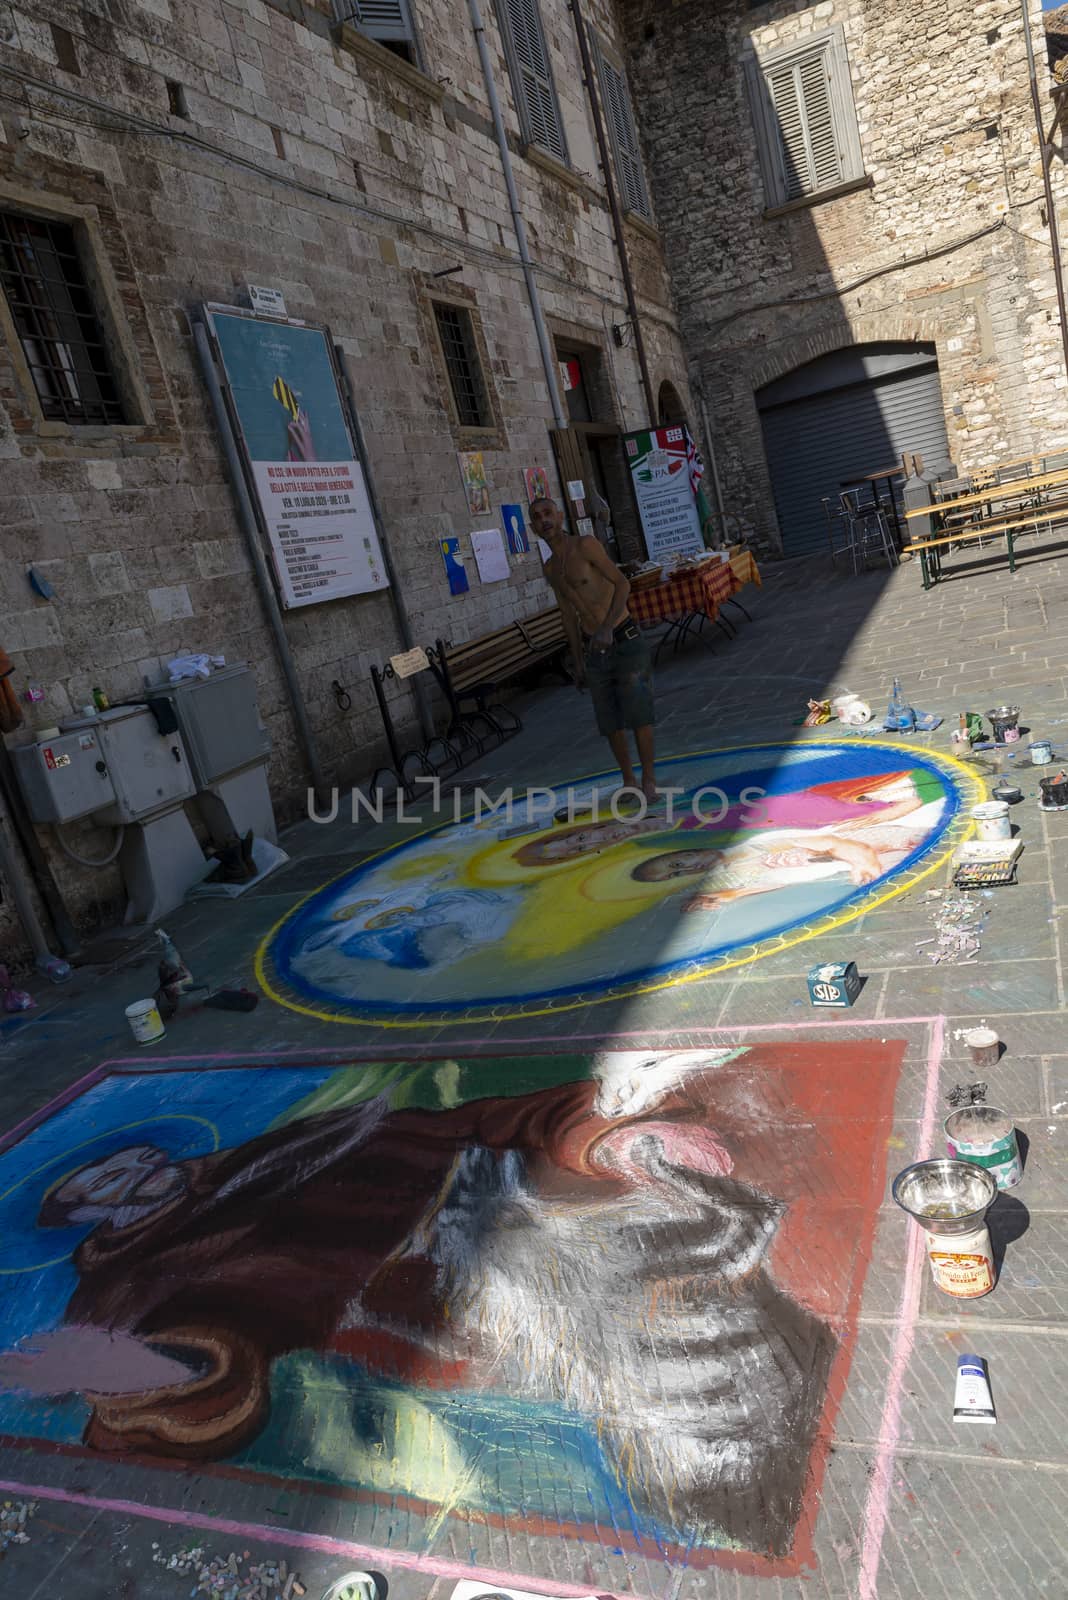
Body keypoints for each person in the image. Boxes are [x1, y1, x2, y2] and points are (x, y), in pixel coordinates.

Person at [0, 1054, 835, 1558]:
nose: (118, 1178)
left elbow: (457, 1123)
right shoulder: (128, 1284)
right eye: (93, 1191)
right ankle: (721, 1476)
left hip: (518, 1194)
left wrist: (596, 1130)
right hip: (463, 1267)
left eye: (115, 1162)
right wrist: (137, 1370)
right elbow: (218, 1357)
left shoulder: (271, 1150)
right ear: (91, 1219)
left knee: (707, 1273)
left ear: (152, 1148)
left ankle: (741, 1432)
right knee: (685, 1394)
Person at [531, 496, 657, 800]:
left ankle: (649, 781)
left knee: (639, 713)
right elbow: (567, 614)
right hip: (594, 650)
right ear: (532, 527)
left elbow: (622, 584)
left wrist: (606, 628)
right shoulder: (550, 569)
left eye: (548, 513)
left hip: (624, 637)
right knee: (609, 720)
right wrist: (577, 661)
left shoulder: (585, 546)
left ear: (559, 515)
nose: (544, 520)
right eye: (537, 517)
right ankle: (629, 781)